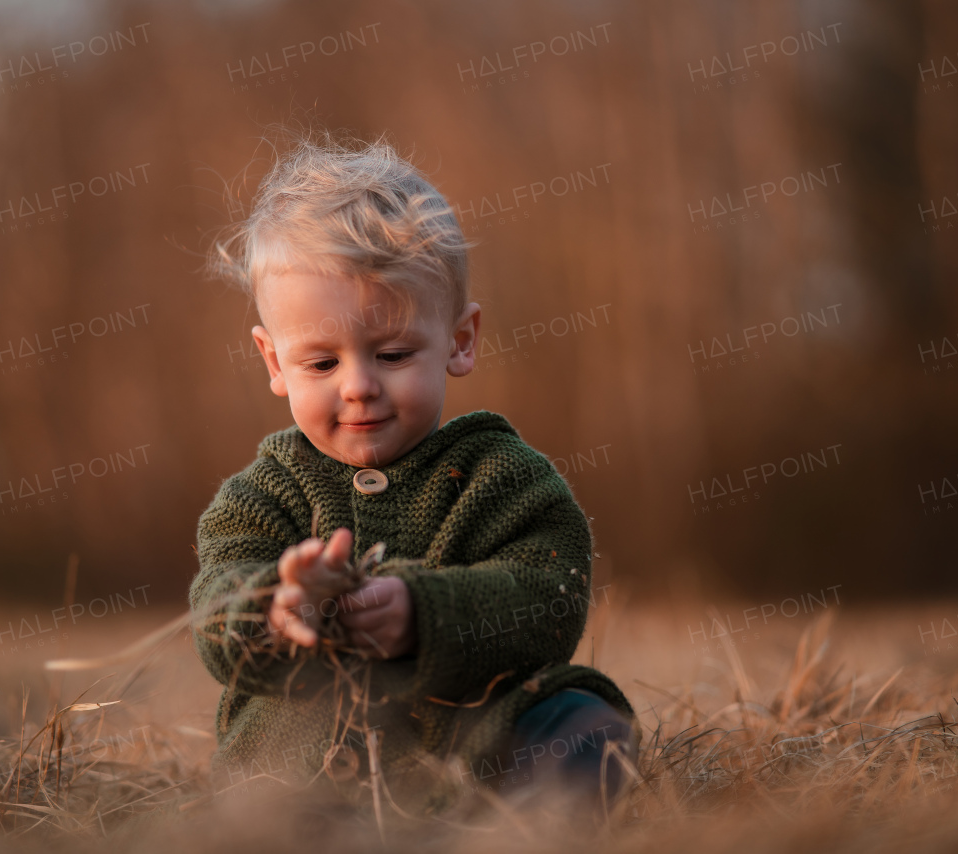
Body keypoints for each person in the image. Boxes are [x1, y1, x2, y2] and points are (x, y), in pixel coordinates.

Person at [189, 129, 638, 817]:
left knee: (586, 728)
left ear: (460, 341)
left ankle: (506, 821)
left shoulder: (504, 477)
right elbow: (215, 608)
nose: (359, 386)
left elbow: (551, 597)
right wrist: (280, 608)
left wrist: (425, 615)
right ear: (274, 362)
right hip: (305, 761)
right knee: (262, 799)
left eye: (393, 354)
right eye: (322, 363)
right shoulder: (260, 496)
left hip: (470, 738)